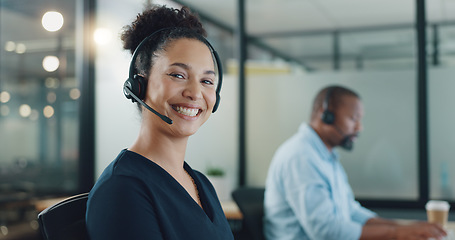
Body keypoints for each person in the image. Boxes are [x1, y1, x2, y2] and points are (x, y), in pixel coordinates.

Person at [86, 5, 234, 240]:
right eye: (178, 75)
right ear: (139, 86)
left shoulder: (201, 183)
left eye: (207, 81)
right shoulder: (123, 188)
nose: (195, 93)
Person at [263, 85, 447, 240]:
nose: (359, 127)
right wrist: (397, 233)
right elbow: (326, 231)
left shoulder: (326, 156)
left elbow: (350, 211)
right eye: (353, 119)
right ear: (326, 116)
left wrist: (403, 226)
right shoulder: (301, 156)